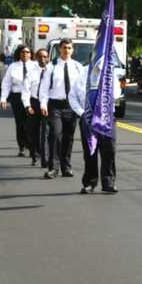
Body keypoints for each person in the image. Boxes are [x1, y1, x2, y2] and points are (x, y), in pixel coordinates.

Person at [69, 57, 121, 193]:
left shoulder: (110, 73)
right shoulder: (83, 73)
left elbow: (116, 93)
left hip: (106, 118)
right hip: (87, 118)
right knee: (90, 151)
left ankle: (108, 182)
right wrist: (82, 113)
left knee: (109, 150)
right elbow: (72, 96)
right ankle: (90, 182)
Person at [39, 38, 84, 179]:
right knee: (56, 135)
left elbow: (82, 89)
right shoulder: (51, 66)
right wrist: (43, 104)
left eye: (69, 48)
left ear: (73, 50)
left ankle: (66, 167)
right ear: (60, 49)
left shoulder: (78, 67)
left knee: (68, 138)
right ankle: (53, 168)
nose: (67, 50)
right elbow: (44, 88)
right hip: (55, 106)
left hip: (72, 106)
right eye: (64, 47)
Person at [0, 45, 36, 157]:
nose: (25, 54)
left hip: (31, 97)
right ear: (19, 54)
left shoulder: (35, 66)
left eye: (27, 52)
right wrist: (3, 98)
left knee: (31, 123)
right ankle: (22, 146)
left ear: (31, 54)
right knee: (20, 123)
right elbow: (6, 84)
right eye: (22, 52)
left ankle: (32, 146)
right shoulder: (13, 67)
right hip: (17, 97)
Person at [22, 49, 50, 167]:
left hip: (48, 104)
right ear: (36, 58)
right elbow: (25, 91)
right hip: (34, 103)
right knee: (33, 132)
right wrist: (28, 106)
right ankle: (35, 155)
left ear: (48, 58)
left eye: (45, 56)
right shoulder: (31, 73)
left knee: (46, 132)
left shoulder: (52, 72)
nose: (43, 59)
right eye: (40, 57)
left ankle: (45, 157)